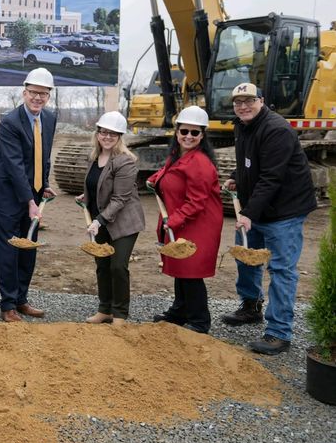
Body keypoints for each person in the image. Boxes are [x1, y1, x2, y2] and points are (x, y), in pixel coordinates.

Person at [221, 83, 317, 354]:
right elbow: (250, 164)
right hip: (259, 206)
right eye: (238, 101)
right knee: (246, 257)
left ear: (261, 100)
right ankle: (251, 306)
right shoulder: (242, 125)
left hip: (284, 212)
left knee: (281, 270)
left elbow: (271, 177)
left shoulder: (276, 130)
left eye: (249, 100)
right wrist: (237, 179)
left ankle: (279, 333)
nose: (243, 106)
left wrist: (248, 213)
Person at [0, 68, 57, 322]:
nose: (38, 98)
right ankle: (8, 306)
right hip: (6, 195)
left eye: (43, 94)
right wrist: (29, 201)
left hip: (32, 193)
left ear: (49, 96)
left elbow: (42, 156)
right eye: (34, 93)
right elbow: (14, 165)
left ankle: (21, 299)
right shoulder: (10, 122)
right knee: (8, 250)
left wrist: (43, 185)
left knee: (28, 249)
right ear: (24, 93)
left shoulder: (49, 118)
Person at [147, 106, 223, 333]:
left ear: (202, 135)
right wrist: (154, 179)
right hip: (182, 222)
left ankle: (200, 321)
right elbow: (168, 175)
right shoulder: (177, 155)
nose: (188, 136)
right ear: (177, 132)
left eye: (195, 132)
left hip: (199, 224)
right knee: (180, 267)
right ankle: (180, 311)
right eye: (184, 131)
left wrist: (175, 219)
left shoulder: (199, 162)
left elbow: (197, 201)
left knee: (191, 271)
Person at [77, 111, 144, 325]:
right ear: (97, 134)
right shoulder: (94, 157)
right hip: (101, 220)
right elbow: (95, 184)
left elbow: (120, 198)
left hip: (123, 223)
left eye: (113, 134)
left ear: (120, 136)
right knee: (102, 264)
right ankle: (104, 309)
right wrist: (86, 196)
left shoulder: (125, 162)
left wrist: (98, 220)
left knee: (118, 266)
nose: (107, 137)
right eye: (103, 132)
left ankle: (120, 314)